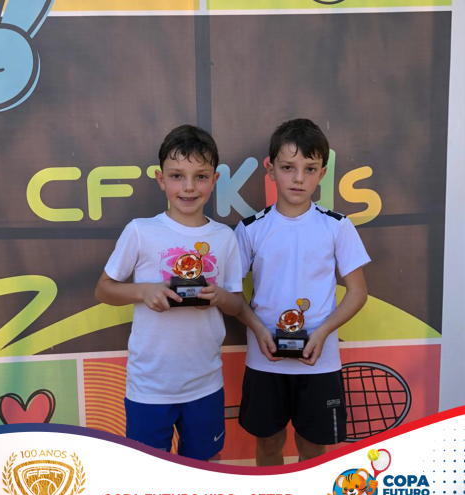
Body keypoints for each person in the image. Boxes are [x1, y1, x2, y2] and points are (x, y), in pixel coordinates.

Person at [95, 125, 244, 460]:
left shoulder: (224, 237)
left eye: (200, 176)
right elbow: (104, 289)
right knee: (151, 475)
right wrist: (144, 292)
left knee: (207, 464)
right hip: (149, 387)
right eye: (177, 176)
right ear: (161, 180)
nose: (188, 187)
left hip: (205, 383)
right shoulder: (140, 231)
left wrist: (218, 297)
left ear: (214, 180)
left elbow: (236, 304)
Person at [235, 118, 370, 466]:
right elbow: (232, 295)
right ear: (270, 170)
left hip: (319, 361)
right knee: (268, 444)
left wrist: (322, 333)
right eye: (288, 168)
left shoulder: (337, 226)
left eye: (309, 169)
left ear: (322, 173)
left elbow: (357, 292)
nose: (298, 178)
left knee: (312, 449)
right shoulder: (250, 229)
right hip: (265, 359)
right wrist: (259, 330)